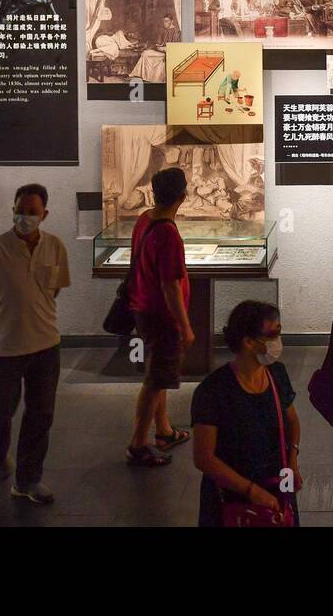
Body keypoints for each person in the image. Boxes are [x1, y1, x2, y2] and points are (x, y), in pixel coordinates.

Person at [0, 183, 70, 505]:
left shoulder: (55, 247)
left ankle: (28, 480)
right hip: (3, 349)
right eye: (19, 210)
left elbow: (53, 290)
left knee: (41, 415)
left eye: (32, 212)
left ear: (45, 214)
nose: (24, 217)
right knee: (0, 414)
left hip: (46, 344)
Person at [191, 301, 301, 526]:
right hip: (232, 498)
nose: (277, 341)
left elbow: (292, 421)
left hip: (275, 490)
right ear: (249, 342)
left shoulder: (277, 374)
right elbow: (204, 458)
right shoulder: (213, 390)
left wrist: (292, 462)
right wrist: (251, 491)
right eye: (272, 334)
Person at [126, 167, 195, 467]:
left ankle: (164, 431)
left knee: (158, 372)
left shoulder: (145, 220)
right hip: (162, 316)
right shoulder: (167, 233)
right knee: (156, 379)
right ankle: (138, 442)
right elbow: (170, 287)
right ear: (182, 195)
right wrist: (185, 325)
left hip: (143, 308)